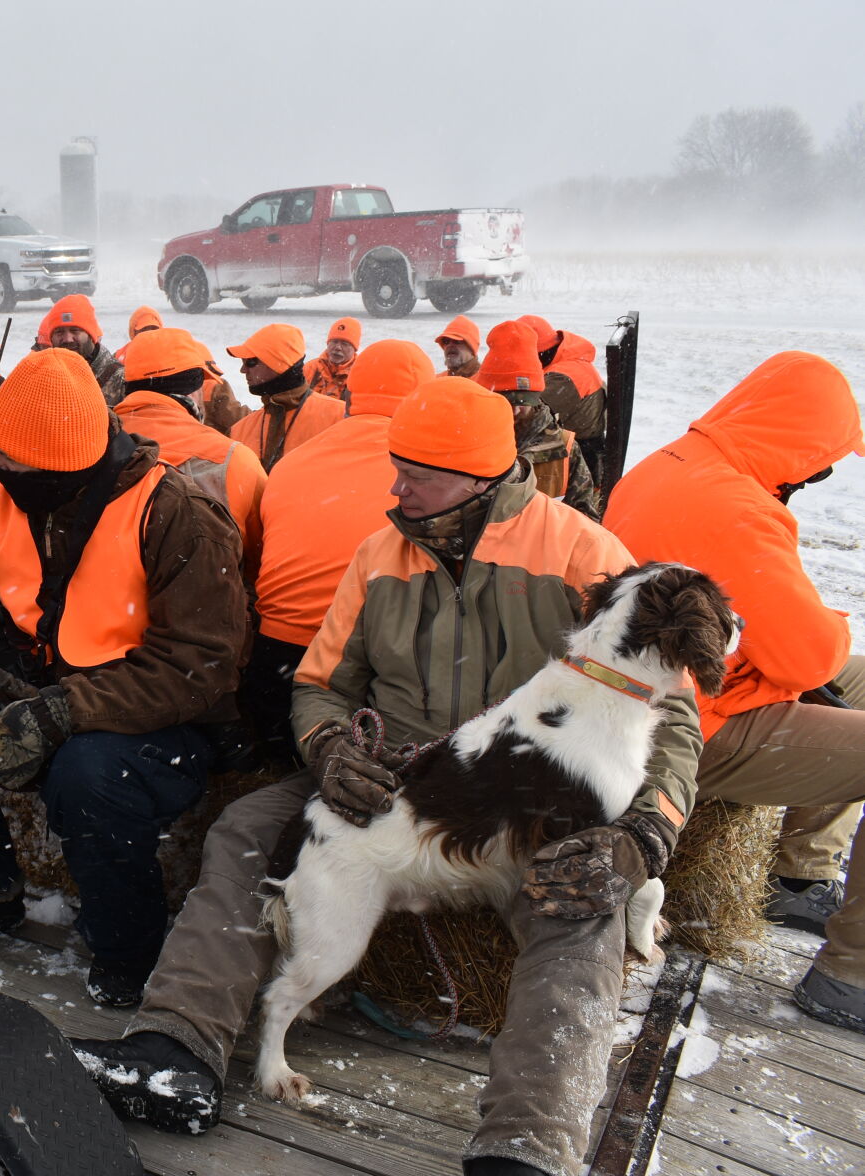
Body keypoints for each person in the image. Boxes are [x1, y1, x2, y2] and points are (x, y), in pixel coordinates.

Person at [72, 377, 701, 1176]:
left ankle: (529, 1144)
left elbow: (674, 714)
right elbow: (319, 681)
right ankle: (174, 1048)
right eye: (394, 466)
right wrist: (332, 746)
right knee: (247, 829)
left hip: (529, 790)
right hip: (393, 772)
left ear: (480, 477)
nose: (395, 488)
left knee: (582, 900)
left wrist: (648, 830)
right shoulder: (380, 552)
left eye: (417, 474)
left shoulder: (584, 555)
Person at [0, 347, 245, 1008]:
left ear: (67, 464)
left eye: (15, 464)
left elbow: (202, 666)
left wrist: (65, 711)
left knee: (90, 773)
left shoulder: (175, 510)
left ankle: (130, 948)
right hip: (30, 694)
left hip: (156, 722)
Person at [603, 351, 865, 1033]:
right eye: (824, 459)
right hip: (681, 728)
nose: (820, 475)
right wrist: (824, 628)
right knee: (840, 666)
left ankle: (799, 879)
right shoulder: (740, 507)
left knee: (860, 676)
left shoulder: (675, 464)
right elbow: (807, 654)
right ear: (801, 445)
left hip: (641, 690)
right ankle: (851, 976)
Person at [241, 339, 434, 766]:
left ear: (348, 396)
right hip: (366, 674)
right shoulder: (428, 479)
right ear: (422, 402)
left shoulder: (291, 464)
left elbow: (256, 564)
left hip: (275, 674)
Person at [112, 327, 265, 569]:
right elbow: (260, 558)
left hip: (100, 602)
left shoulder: (89, 445)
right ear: (194, 389)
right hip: (201, 602)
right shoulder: (232, 460)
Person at [474, 321, 601, 520]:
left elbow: (586, 524)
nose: (515, 410)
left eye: (523, 401)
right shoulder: (464, 441)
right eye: (506, 401)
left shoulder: (564, 448)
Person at [218, 324, 345, 470]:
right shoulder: (239, 431)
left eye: (251, 362)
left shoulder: (338, 417)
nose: (243, 370)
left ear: (278, 363)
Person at [517, 314, 608, 481]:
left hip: (579, 468)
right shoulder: (567, 363)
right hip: (581, 455)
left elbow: (528, 421)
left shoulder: (562, 378)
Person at [39, 294, 125, 404]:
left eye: (75, 330)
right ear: (51, 338)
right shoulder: (43, 376)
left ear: (90, 335)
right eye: (59, 332)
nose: (68, 339)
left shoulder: (120, 379)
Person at [302, 316, 360, 399]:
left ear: (354, 349)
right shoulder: (310, 369)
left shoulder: (360, 375)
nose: (338, 347)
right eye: (334, 342)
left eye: (344, 343)